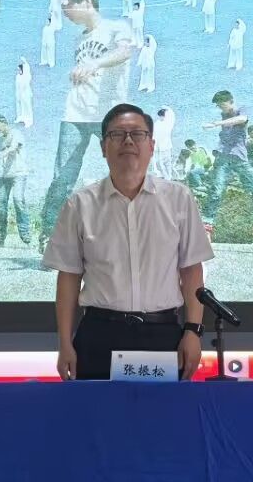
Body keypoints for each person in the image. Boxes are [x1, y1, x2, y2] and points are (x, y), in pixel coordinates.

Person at [46, 105, 213, 380]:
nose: (128, 141)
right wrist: (65, 342)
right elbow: (68, 278)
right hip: (99, 335)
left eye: (137, 134)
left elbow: (191, 270)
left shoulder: (178, 199)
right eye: (117, 134)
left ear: (152, 145)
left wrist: (193, 332)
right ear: (103, 147)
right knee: (97, 409)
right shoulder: (80, 205)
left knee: (162, 409)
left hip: (163, 334)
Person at [38, 0, 135, 247]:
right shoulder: (78, 39)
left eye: (69, 5)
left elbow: (124, 52)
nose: (65, 11)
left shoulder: (116, 27)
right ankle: (50, 237)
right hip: (74, 115)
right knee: (62, 178)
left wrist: (95, 63)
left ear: (87, 2)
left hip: (109, 116)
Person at [202, 90, 253, 244]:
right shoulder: (224, 115)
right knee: (216, 191)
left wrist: (216, 124)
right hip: (223, 159)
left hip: (240, 160)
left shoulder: (241, 110)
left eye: (221, 105)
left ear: (230, 101)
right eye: (218, 106)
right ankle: (205, 229)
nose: (220, 108)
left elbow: (242, 119)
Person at [0, 113, 33, 246]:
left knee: (18, 200)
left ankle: (25, 232)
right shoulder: (1, 139)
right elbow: (4, 156)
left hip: (19, 173)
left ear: (3, 123)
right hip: (4, 175)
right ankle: (0, 234)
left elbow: (13, 149)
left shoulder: (16, 134)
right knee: (1, 204)